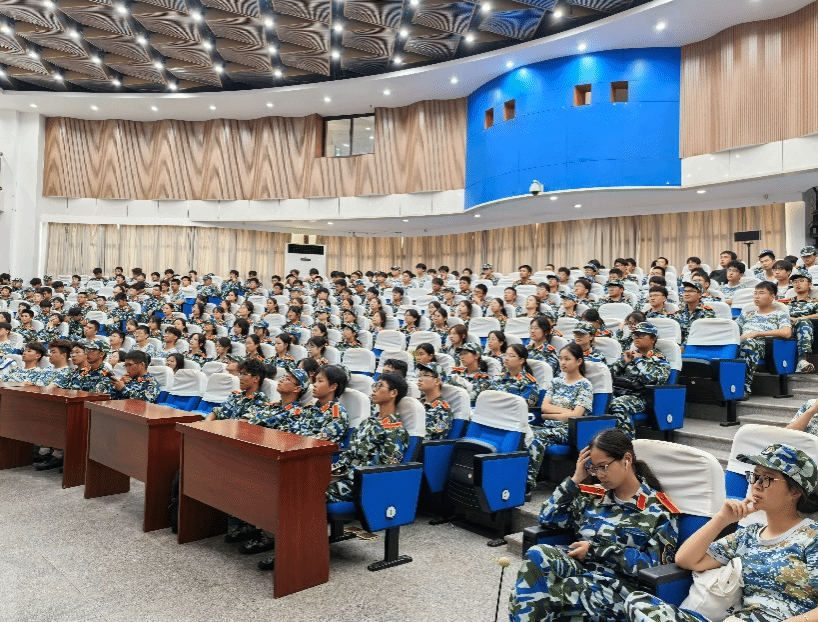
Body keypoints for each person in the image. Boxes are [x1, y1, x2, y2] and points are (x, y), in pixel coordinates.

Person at [625, 443, 818, 622]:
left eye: (766, 478)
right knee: (638, 602)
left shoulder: (812, 537)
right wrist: (722, 519)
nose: (756, 484)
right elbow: (686, 560)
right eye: (755, 475)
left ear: (795, 491)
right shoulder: (747, 536)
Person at [509, 429, 679, 622]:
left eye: (604, 467)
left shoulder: (659, 509)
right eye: (594, 468)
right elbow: (548, 518)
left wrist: (596, 552)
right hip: (582, 569)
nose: (599, 475)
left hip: (620, 587)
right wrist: (575, 479)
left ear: (627, 459)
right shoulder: (592, 495)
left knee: (539, 598)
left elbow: (654, 567)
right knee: (536, 555)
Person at [325, 372, 410, 505]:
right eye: (374, 385)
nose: (374, 389)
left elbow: (381, 471)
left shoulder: (395, 431)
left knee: (308, 490)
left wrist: (344, 476)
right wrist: (331, 472)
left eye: (379, 386)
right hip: (345, 477)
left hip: (361, 486)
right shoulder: (367, 422)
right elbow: (348, 455)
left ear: (393, 393)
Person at [526, 343, 595, 488]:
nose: (562, 362)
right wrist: (565, 411)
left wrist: (549, 415)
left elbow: (576, 415)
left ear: (579, 361)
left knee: (535, 437)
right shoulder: (556, 382)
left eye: (567, 359)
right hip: (548, 427)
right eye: (561, 358)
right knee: (522, 432)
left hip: (568, 430)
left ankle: (527, 485)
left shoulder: (585, 385)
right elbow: (544, 407)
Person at [608, 322, 670, 438]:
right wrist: (623, 362)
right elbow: (608, 376)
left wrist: (639, 361)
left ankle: (627, 442)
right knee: (602, 400)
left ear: (653, 339)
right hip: (619, 392)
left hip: (643, 398)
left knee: (619, 404)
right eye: (635, 335)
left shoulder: (658, 359)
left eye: (641, 335)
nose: (636, 337)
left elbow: (657, 380)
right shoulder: (629, 355)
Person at [737, 281, 792, 396]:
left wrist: (756, 334)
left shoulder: (779, 314)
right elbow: (733, 329)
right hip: (741, 343)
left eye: (761, 293)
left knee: (749, 342)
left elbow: (787, 333)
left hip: (765, 347)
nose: (757, 296)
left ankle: (744, 388)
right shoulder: (747, 314)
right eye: (755, 293)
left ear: (772, 297)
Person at [781, 271, 818, 373]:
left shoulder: (814, 302)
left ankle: (802, 360)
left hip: (804, 328)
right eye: (795, 282)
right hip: (784, 327)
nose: (798, 284)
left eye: (802, 281)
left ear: (810, 284)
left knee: (803, 322)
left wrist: (801, 318)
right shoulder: (785, 302)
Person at [491, 343, 538, 408]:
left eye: (511, 356)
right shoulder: (498, 378)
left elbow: (524, 405)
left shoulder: (528, 382)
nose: (506, 358)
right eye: (505, 355)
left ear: (521, 360)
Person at [669, 281, 714, 347]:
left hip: (698, 346)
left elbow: (701, 334)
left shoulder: (707, 312)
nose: (686, 294)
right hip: (678, 347)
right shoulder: (678, 313)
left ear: (699, 295)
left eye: (691, 291)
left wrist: (683, 347)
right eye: (685, 291)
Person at [416, 361, 453, 439]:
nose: (420, 379)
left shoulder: (443, 409)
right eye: (420, 375)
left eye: (425, 375)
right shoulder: (417, 403)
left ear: (437, 381)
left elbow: (430, 436)